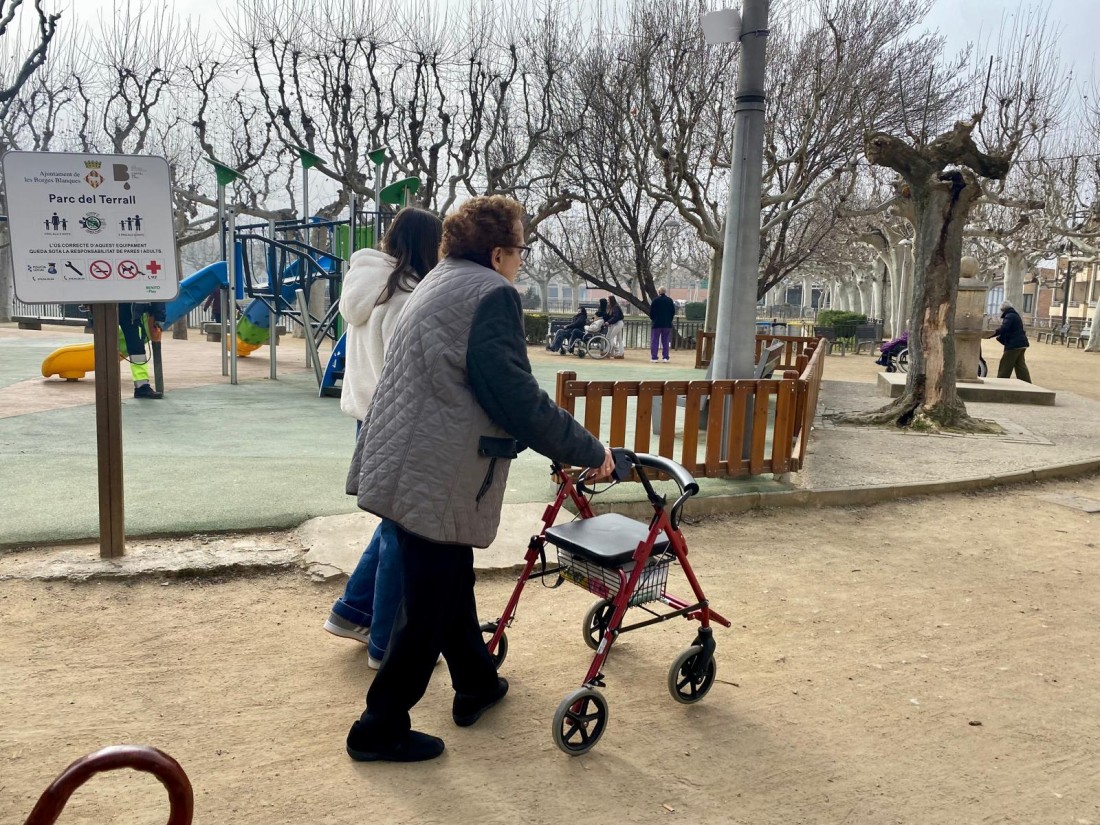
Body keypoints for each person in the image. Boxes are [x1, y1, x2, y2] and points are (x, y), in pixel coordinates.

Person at [344, 194, 613, 763]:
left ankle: (476, 682)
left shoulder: (440, 280)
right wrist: (591, 450)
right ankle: (377, 727)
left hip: (409, 459)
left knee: (448, 582)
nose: (521, 261)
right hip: (438, 471)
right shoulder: (492, 293)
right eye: (520, 250)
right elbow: (515, 396)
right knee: (426, 609)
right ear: (497, 253)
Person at [324, 207, 444, 670]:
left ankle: (354, 612)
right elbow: (412, 372)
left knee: (394, 523)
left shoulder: (369, 284)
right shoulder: (408, 297)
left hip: (365, 417)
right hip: (397, 421)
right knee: (403, 529)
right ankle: (387, 644)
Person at [119, 302, 165, 399]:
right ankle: (141, 387)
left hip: (131, 314)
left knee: (137, 349)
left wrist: (159, 317)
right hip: (111, 310)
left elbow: (158, 295)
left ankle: (142, 387)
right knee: (107, 347)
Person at [986, 300, 1031, 382]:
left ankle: (1001, 382)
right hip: (1021, 343)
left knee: (1005, 365)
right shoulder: (1014, 315)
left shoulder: (1009, 316)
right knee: (1020, 366)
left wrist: (992, 334)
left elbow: (1004, 328)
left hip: (1014, 345)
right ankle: (1027, 383)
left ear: (1003, 310)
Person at [649, 287, 676, 362]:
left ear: (659, 292)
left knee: (655, 341)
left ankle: (654, 357)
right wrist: (669, 320)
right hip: (667, 324)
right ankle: (665, 357)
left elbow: (651, 312)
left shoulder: (655, 300)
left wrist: (653, 319)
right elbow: (673, 312)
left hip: (656, 324)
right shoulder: (669, 300)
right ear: (665, 292)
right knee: (666, 341)